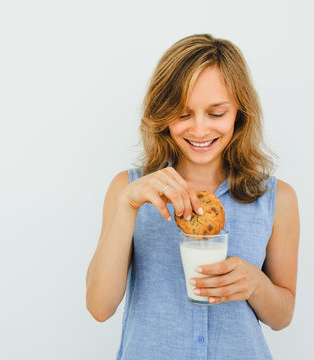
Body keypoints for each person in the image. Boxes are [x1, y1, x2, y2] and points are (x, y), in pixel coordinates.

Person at [86, 33, 300, 360]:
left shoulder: (276, 199)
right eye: (183, 114)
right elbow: (99, 308)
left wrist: (255, 284)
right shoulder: (127, 191)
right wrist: (127, 206)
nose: (199, 130)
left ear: (240, 112)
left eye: (216, 113)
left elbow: (282, 317)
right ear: (162, 112)